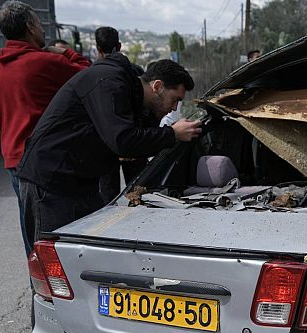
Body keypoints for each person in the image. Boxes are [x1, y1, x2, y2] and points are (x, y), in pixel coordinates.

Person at [17, 57, 203, 247]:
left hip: (82, 183)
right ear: (157, 86)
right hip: (50, 182)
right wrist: (172, 134)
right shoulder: (110, 82)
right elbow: (122, 140)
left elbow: (137, 141)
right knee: (53, 262)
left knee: (85, 254)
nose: (174, 108)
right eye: (175, 100)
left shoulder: (134, 98)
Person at [0, 0, 90, 257]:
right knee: (50, 231)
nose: (43, 29)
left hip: (14, 160)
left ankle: (38, 283)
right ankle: (50, 288)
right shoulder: (45, 62)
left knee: (29, 224)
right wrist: (65, 53)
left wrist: (9, 119)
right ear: (30, 26)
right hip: (44, 161)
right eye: (39, 23)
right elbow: (89, 75)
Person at [93, 26, 147, 203]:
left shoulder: (93, 73)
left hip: (105, 144)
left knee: (109, 196)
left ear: (97, 48)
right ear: (120, 45)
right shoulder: (135, 71)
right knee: (138, 190)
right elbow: (142, 106)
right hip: (133, 140)